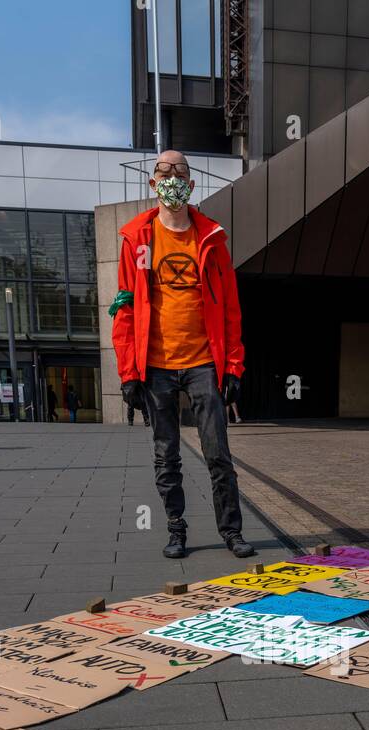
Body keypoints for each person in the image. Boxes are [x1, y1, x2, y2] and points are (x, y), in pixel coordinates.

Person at [111, 148, 255, 559]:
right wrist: (128, 373)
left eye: (180, 170)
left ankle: (231, 531)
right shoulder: (136, 239)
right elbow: (124, 309)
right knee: (165, 456)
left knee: (218, 455)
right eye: (164, 169)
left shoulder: (211, 239)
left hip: (203, 364)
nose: (172, 176)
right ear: (152, 182)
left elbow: (230, 308)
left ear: (191, 184)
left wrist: (233, 366)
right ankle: (176, 530)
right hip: (154, 366)